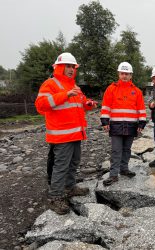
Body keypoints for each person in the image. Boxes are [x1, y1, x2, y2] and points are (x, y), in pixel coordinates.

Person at [35, 52, 96, 215]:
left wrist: (89, 104)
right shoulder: (50, 84)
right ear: (59, 67)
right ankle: (55, 197)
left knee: (74, 162)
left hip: (76, 133)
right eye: (67, 66)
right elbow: (40, 105)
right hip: (61, 136)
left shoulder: (73, 85)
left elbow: (81, 103)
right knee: (61, 166)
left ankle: (69, 187)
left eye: (72, 67)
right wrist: (65, 95)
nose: (70, 69)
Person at [101, 62, 147, 186]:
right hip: (116, 124)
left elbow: (141, 109)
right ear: (119, 74)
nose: (124, 76)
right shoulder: (111, 88)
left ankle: (124, 169)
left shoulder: (136, 91)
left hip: (131, 125)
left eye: (127, 74)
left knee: (127, 149)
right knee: (116, 150)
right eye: (122, 73)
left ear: (131, 75)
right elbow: (106, 106)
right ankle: (113, 174)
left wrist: (142, 123)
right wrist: (105, 121)